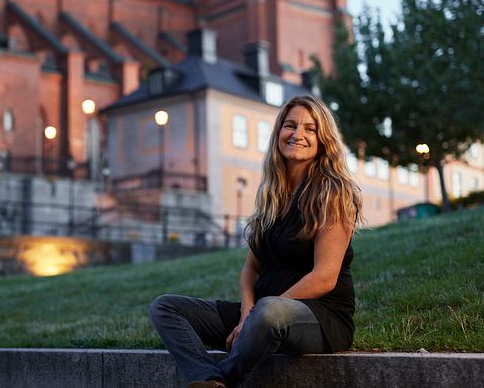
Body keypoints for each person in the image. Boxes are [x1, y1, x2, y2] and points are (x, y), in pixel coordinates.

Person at [149, 95, 363, 387]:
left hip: (319, 318)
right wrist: (246, 312)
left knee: (269, 311)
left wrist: (257, 316)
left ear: (323, 139)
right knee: (165, 307)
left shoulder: (332, 192)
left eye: (310, 129)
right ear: (278, 134)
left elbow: (325, 277)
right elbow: (250, 271)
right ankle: (207, 378)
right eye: (290, 125)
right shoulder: (272, 196)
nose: (297, 134)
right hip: (261, 316)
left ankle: (225, 377)